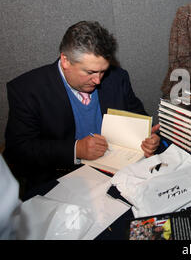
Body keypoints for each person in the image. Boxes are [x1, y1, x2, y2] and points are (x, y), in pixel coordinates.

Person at [4, 21, 161, 194]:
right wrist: (76, 149)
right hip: (60, 180)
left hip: (118, 175)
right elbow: (18, 150)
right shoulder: (27, 90)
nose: (98, 80)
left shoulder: (117, 78)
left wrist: (149, 138)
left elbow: (137, 115)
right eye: (90, 72)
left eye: (103, 71)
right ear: (65, 60)